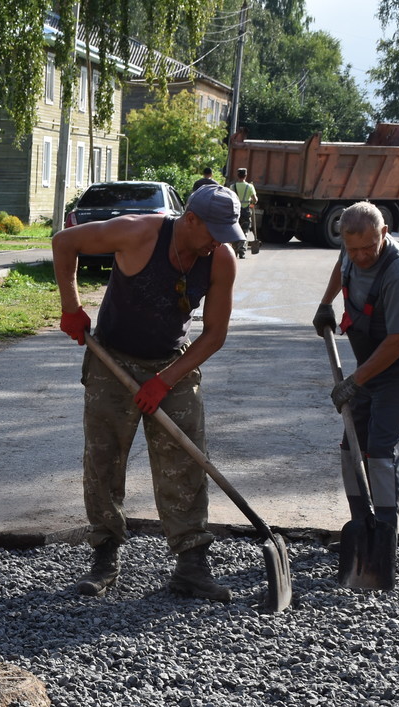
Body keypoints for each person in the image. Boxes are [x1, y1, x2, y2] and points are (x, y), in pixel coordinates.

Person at [51, 184, 245, 601]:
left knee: (186, 458)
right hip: (112, 360)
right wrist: (71, 306)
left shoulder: (219, 260)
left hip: (170, 362)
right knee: (104, 457)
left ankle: (191, 563)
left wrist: (165, 380)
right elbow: (64, 242)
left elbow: (214, 335)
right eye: (213, 231)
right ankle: (105, 556)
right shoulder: (138, 233)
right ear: (189, 219)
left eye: (225, 233)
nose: (218, 241)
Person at [311, 200, 399, 569]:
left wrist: (353, 383)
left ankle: (384, 537)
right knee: (351, 446)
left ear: (385, 233)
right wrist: (325, 303)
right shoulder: (351, 253)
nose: (361, 256)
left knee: (380, 450)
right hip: (369, 365)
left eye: (368, 247)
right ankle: (360, 527)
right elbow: (341, 266)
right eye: (353, 249)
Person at [230, 167, 258, 259]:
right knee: (244, 231)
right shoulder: (250, 186)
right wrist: (250, 200)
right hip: (245, 212)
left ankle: (234, 250)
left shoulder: (232, 187)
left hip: (235, 212)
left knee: (235, 230)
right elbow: (255, 200)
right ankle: (242, 251)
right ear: (246, 176)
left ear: (237, 175)